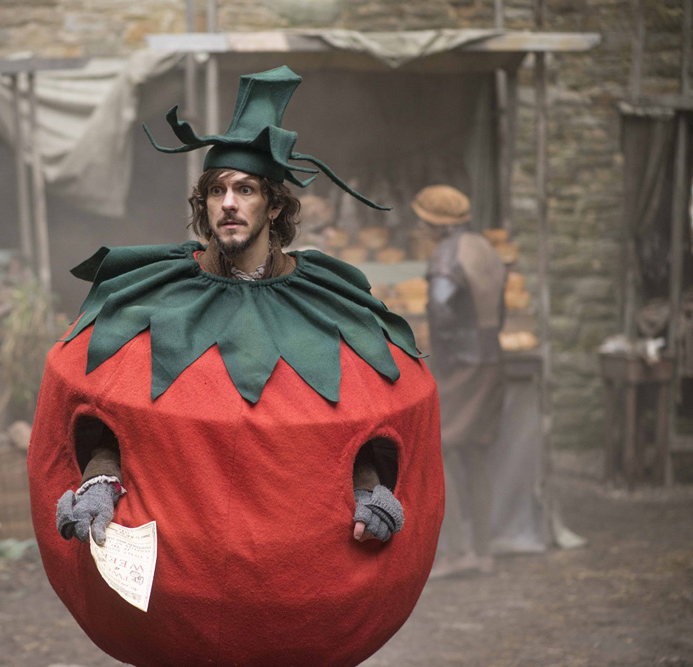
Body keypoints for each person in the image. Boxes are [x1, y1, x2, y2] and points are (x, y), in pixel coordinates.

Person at [57, 67, 407, 548]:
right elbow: (118, 416)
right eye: (217, 191)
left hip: (293, 549)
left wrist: (368, 488)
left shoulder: (323, 299)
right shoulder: (157, 297)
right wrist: (98, 481)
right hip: (186, 550)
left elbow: (350, 421)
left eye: (245, 190)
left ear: (274, 206)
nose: (228, 204)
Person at [413, 184, 507, 576]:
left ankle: (456, 552)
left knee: (441, 451)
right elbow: (500, 310)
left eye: (424, 221)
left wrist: (443, 364)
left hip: (462, 365)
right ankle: (483, 551)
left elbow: (440, 310)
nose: (421, 228)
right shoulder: (485, 248)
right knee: (475, 452)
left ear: (437, 223)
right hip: (491, 358)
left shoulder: (446, 255)